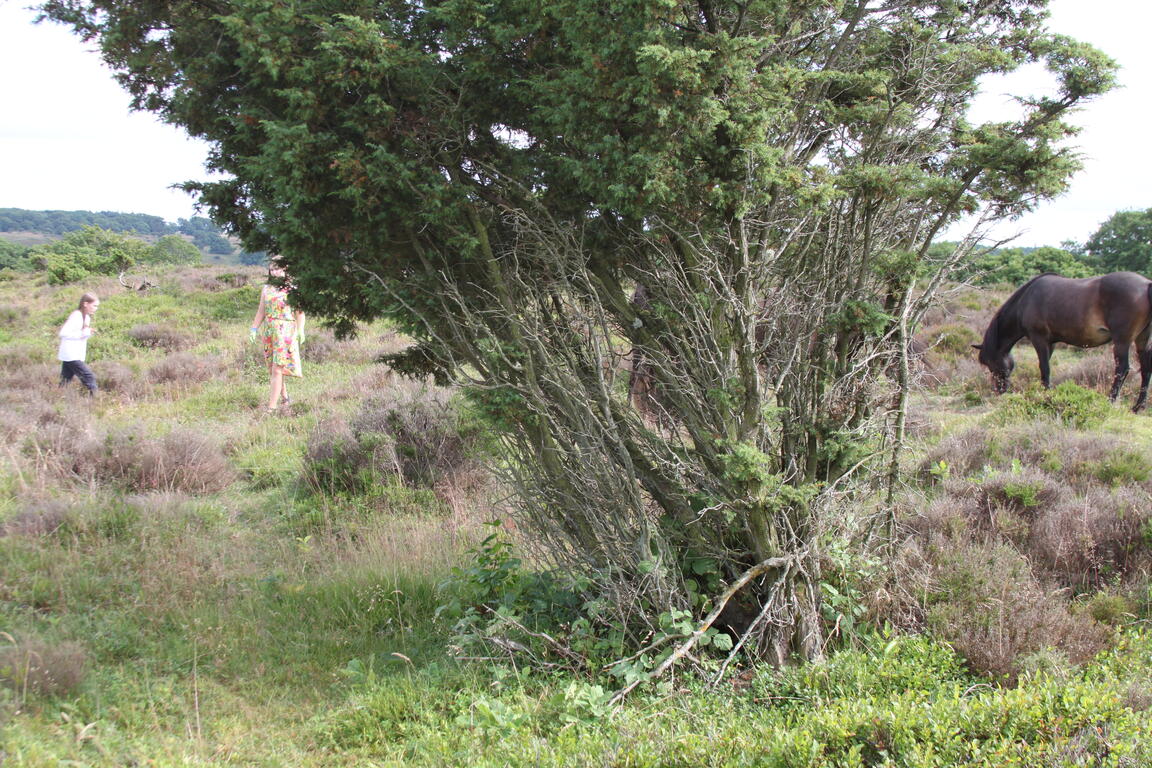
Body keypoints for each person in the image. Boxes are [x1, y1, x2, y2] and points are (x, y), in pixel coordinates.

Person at [250, 262, 305, 413]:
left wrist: (300, 330)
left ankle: (271, 408)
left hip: (285, 330)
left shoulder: (292, 288)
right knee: (273, 367)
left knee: (277, 369)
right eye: (272, 269)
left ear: (285, 269)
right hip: (269, 330)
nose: (274, 272)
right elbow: (261, 311)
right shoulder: (267, 288)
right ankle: (285, 398)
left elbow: (300, 312)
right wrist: (254, 328)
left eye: (277, 269)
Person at [58, 292, 100, 396]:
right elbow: (63, 333)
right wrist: (83, 333)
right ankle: (95, 401)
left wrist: (87, 333)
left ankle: (57, 398)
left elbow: (81, 335)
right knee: (89, 377)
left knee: (65, 380)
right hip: (71, 355)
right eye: (94, 305)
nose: (96, 308)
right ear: (85, 304)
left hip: (74, 354)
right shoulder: (76, 316)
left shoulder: (86, 318)